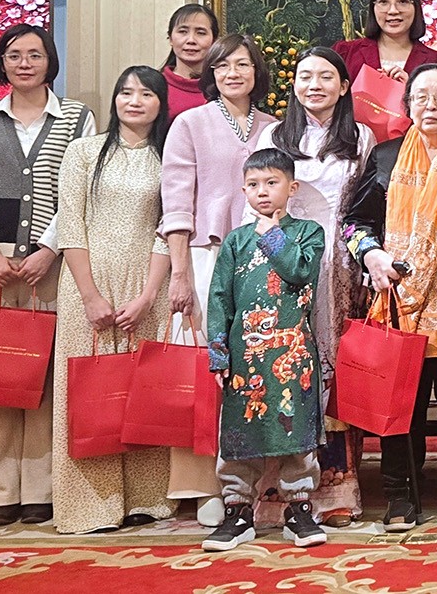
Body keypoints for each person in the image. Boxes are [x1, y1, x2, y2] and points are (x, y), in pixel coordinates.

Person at [0, 24, 95, 528]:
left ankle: (41, 488)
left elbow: (79, 189)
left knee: (44, 373)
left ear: (50, 61)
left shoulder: (77, 117)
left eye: (35, 54)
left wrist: (49, 249)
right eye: (15, 55)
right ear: (2, 63)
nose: (25, 63)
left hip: (51, 263)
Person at [341, 63, 437, 531]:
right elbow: (354, 222)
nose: (430, 105)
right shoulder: (385, 157)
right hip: (396, 303)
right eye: (421, 96)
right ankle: (400, 493)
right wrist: (372, 256)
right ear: (407, 106)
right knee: (400, 403)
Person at [161, 33, 279, 523]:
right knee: (206, 369)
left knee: (259, 369)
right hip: (206, 257)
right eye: (223, 65)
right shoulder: (189, 123)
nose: (233, 73)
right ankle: (204, 485)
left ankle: (257, 483)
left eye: (243, 64)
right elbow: (175, 203)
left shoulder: (274, 127)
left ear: (257, 72)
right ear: (211, 73)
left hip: (262, 258)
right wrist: (180, 274)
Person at [51, 66, 174, 534]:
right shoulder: (84, 151)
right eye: (125, 92)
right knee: (91, 389)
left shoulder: (168, 155)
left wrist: (148, 295)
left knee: (145, 390)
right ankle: (91, 505)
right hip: (88, 284)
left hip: (148, 284)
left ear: (161, 102)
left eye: (146, 94)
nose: (134, 101)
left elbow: (169, 227)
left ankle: (148, 498)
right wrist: (89, 295)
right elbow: (71, 224)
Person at [258, 47, 374, 527]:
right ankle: (278, 490)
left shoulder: (360, 137)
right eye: (305, 76)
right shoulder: (274, 136)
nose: (315, 85)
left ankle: (335, 489)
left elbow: (365, 208)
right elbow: (257, 204)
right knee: (284, 367)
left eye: (326, 77)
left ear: (344, 87)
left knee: (334, 374)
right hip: (284, 262)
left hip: (339, 268)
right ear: (294, 85)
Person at [201, 149, 329, 552]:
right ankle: (238, 511)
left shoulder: (308, 233)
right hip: (245, 358)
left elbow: (300, 271)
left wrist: (272, 234)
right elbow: (219, 298)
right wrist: (219, 352)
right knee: (240, 432)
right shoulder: (236, 241)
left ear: (292, 188)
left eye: (272, 183)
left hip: (293, 355)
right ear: (243, 190)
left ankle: (299, 509)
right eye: (253, 185)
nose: (262, 192)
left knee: (296, 430)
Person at [333, 0, 437, 83]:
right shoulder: (344, 53)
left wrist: (410, 90)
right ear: (373, 8)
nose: (393, 10)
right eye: (384, 2)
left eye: (402, 1)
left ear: (416, 7)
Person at [161, 4, 220, 118]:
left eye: (201, 33)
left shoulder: (224, 86)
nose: (191, 40)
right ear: (170, 38)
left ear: (214, 40)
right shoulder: (155, 87)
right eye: (183, 32)